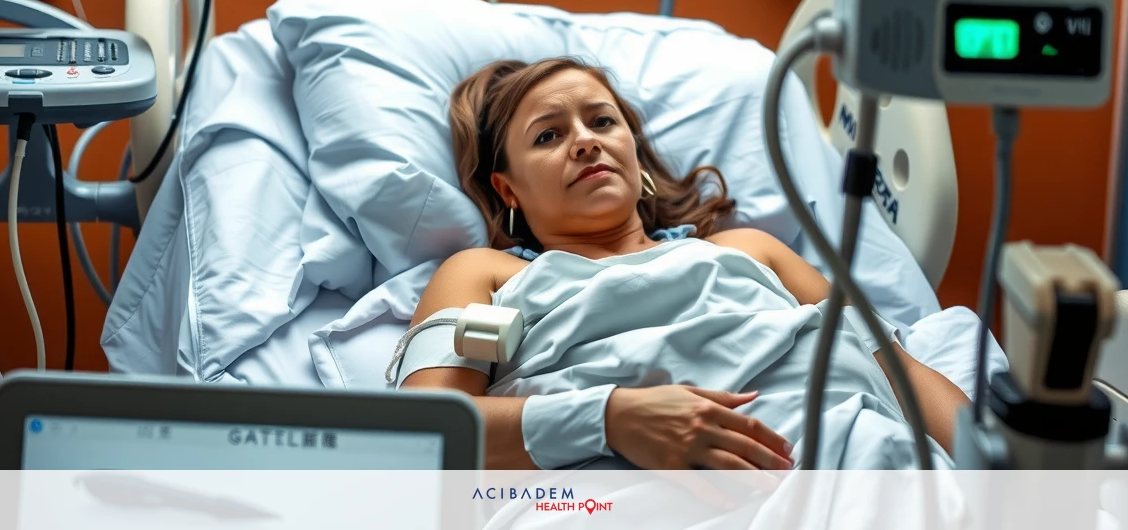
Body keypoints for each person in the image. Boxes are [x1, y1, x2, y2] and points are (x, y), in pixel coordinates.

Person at [399, 57, 970, 471]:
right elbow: (425, 436)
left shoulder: (749, 249)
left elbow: (897, 369)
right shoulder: (487, 274)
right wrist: (610, 418)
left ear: (634, 151)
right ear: (508, 190)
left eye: (602, 122)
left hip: (861, 462)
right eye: (549, 135)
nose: (584, 142)